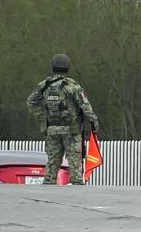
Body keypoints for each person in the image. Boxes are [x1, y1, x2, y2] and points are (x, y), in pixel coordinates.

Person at [26, 54, 99, 185]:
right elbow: (85, 105)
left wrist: (43, 119)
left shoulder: (45, 85)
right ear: (67, 67)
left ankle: (48, 187)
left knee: (52, 162)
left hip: (52, 129)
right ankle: (76, 191)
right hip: (71, 130)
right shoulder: (72, 86)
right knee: (74, 162)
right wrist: (94, 122)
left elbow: (31, 102)